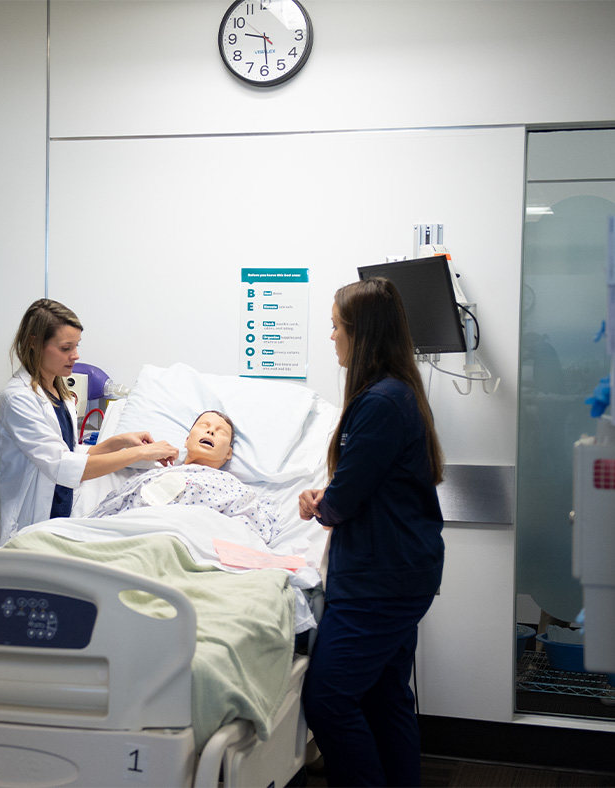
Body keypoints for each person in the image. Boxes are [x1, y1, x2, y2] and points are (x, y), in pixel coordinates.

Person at [297, 278, 445, 787]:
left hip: (380, 584)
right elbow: (365, 486)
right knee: (386, 699)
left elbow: (344, 500)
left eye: (336, 328)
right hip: (400, 574)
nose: (331, 338)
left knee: (328, 699)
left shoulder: (379, 403)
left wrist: (320, 502)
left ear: (360, 335)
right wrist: (332, 498)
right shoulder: (398, 394)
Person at [0, 298, 179, 545]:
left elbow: (71, 453)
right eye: (66, 348)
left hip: (58, 521)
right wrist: (142, 453)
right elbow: (62, 466)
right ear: (34, 343)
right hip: (24, 522)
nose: (75, 356)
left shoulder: (59, 392)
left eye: (76, 346)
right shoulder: (18, 398)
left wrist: (119, 442)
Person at [90, 410, 280, 543]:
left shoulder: (234, 487)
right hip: (129, 536)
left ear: (228, 453)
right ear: (187, 441)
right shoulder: (152, 475)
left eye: (220, 432)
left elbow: (248, 532)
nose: (210, 431)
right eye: (204, 425)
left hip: (185, 543)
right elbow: (110, 509)